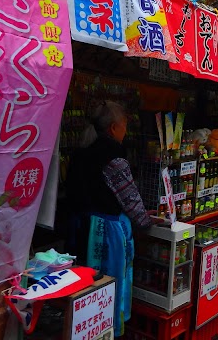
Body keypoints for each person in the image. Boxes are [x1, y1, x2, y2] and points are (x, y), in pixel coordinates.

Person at [66, 100, 154, 336]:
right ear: (114, 128)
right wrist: (145, 220)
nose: (126, 131)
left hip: (80, 228)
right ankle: (108, 331)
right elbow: (129, 197)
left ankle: (83, 330)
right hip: (106, 233)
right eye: (125, 125)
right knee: (107, 285)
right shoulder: (112, 156)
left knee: (83, 286)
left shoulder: (82, 152)